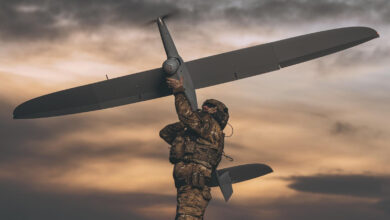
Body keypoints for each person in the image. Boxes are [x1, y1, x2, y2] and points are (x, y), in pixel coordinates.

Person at [160, 77, 229, 220]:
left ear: (216, 112)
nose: (205, 107)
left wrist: (179, 91)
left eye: (210, 106)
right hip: (192, 182)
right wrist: (186, 127)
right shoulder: (204, 131)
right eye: (205, 105)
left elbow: (185, 115)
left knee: (187, 217)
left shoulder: (209, 125)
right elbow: (165, 133)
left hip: (194, 182)